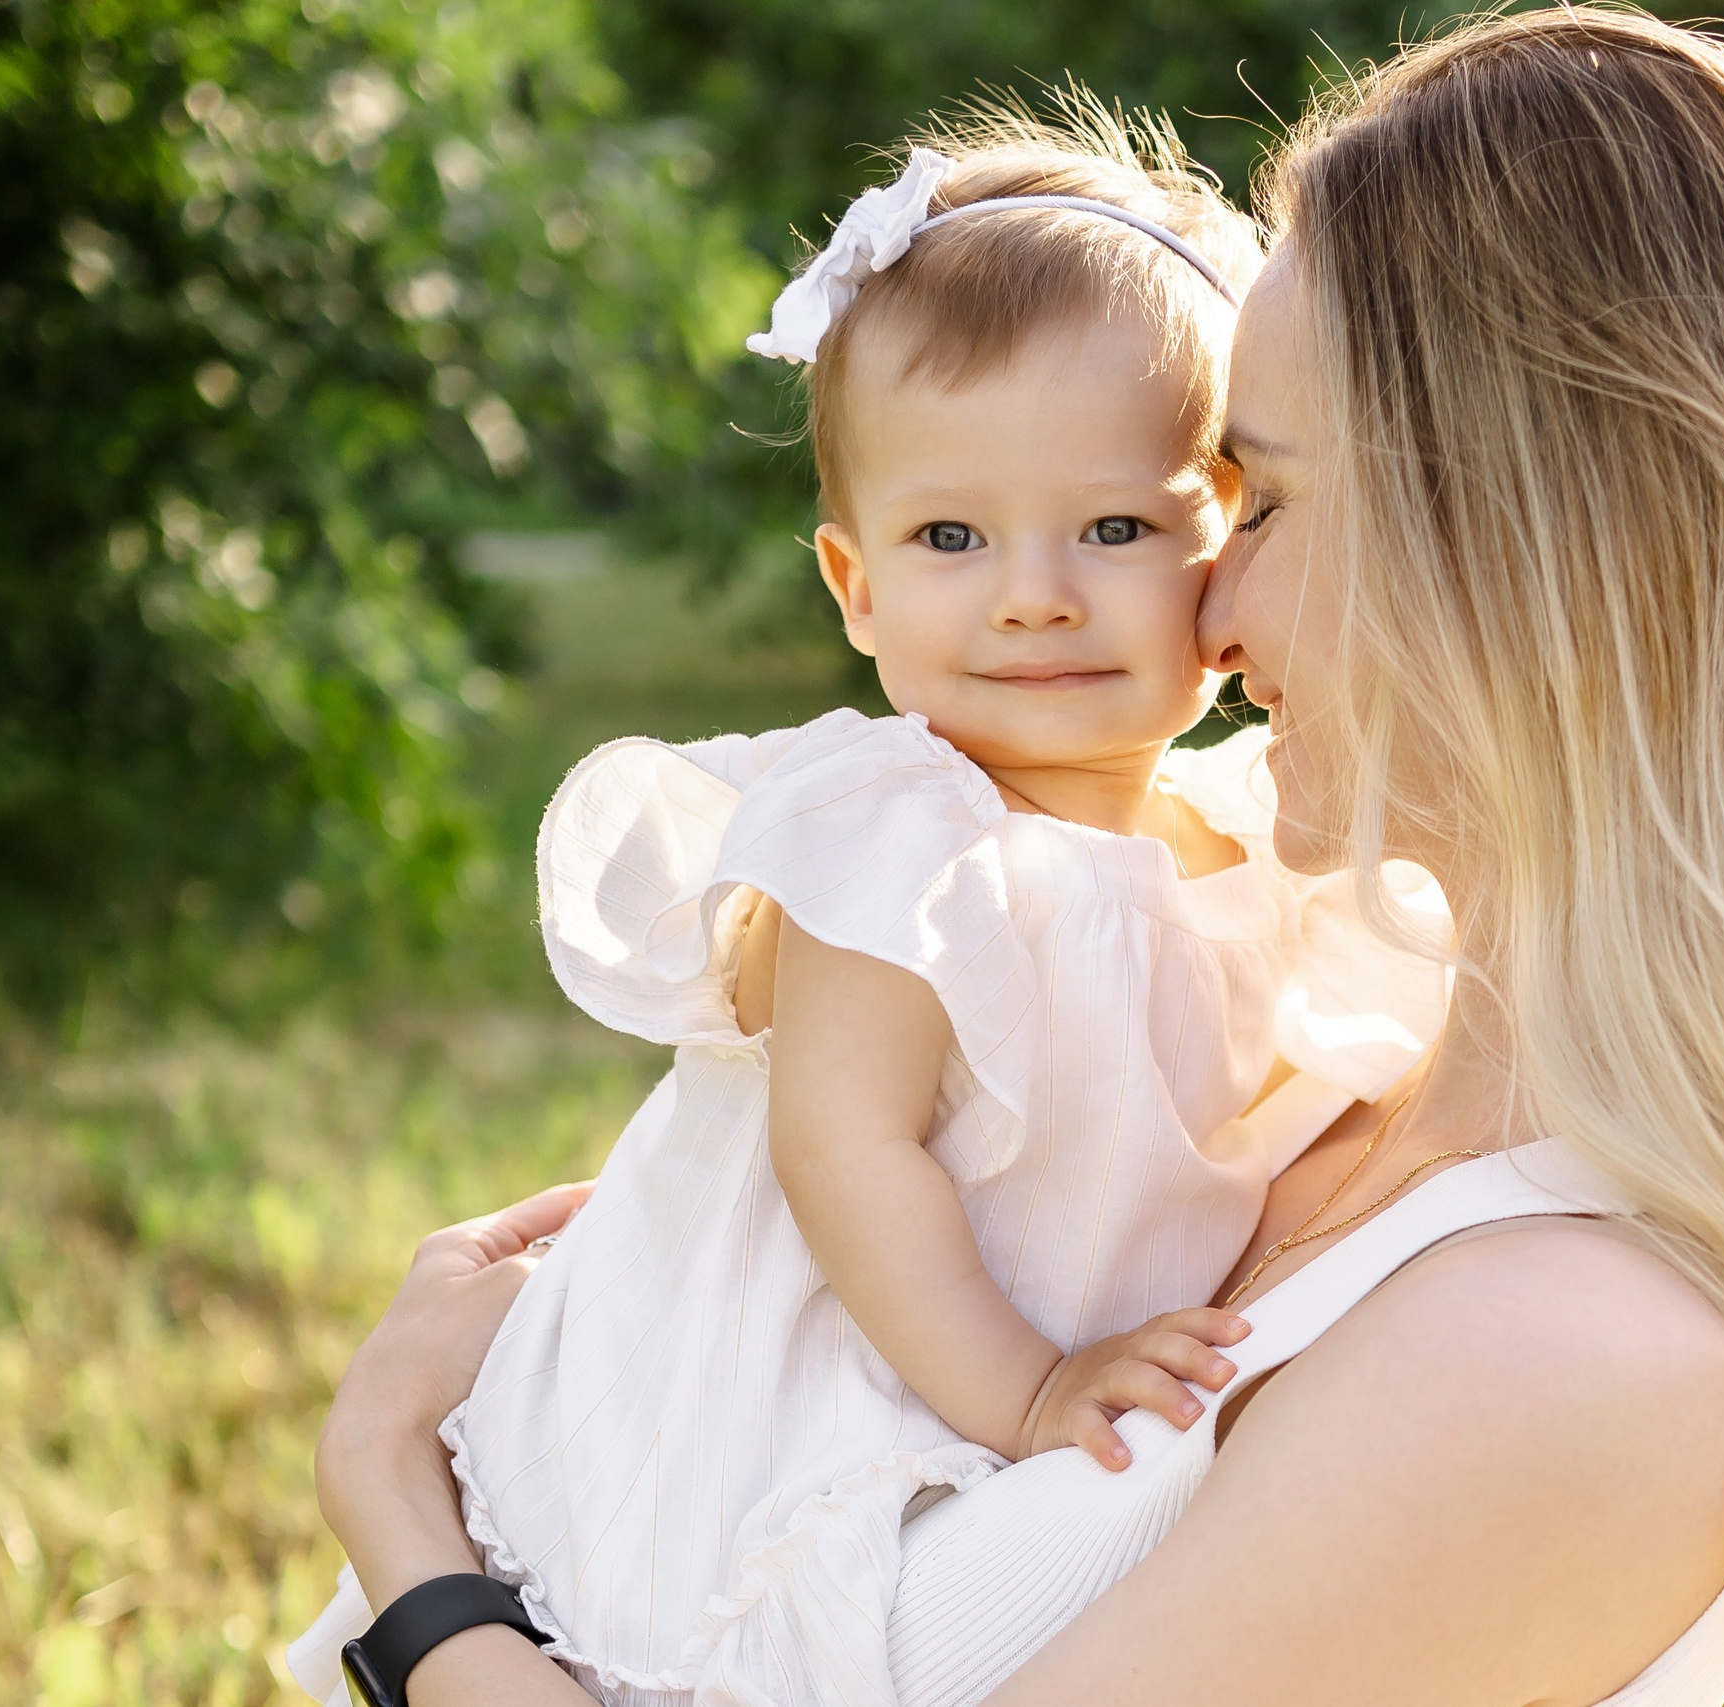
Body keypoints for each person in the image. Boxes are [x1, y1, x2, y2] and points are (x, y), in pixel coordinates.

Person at [310, 12, 1724, 1707]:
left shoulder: (1571, 1348)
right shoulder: (1295, 1071)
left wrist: (414, 1547)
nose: (1204, 599)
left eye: (1243, 494)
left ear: (1520, 548)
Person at [288, 106, 1453, 1707]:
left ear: (1224, 533)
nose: (1033, 590)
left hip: (1008, 1406)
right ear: (854, 586)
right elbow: (847, 1149)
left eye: (1114, 527)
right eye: (950, 537)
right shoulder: (903, 843)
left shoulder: (1248, 839)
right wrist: (1033, 1393)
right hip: (818, 1389)